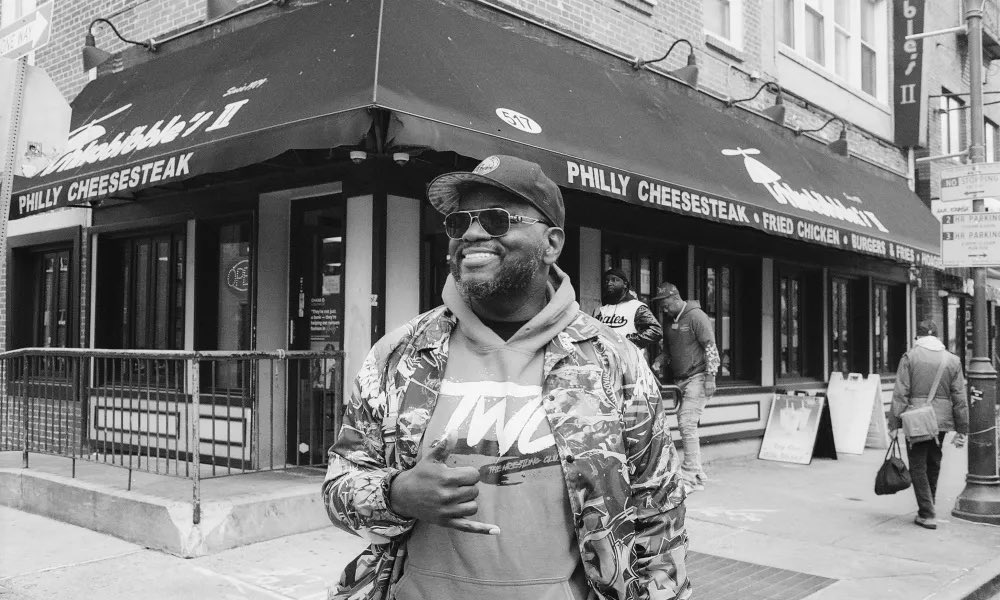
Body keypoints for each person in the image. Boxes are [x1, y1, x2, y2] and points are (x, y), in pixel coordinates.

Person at [322, 155, 690, 600]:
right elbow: (339, 487)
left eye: (498, 220)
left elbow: (660, 512)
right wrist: (396, 494)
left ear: (551, 243)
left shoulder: (616, 363)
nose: (473, 233)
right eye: (459, 223)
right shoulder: (398, 355)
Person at [888, 319, 968, 530]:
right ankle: (928, 505)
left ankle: (927, 512)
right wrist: (962, 429)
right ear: (938, 336)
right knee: (934, 461)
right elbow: (960, 397)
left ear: (919, 337)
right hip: (940, 421)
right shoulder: (952, 360)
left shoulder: (910, 357)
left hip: (916, 418)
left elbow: (900, 392)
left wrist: (893, 423)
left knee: (917, 464)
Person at [651, 282, 720, 492]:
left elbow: (710, 347)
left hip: (699, 377)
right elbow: (670, 352)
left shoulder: (696, 316)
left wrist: (711, 377)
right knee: (686, 423)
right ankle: (696, 473)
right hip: (681, 381)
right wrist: (658, 361)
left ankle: (690, 474)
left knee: (687, 422)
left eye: (664, 303)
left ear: (675, 297)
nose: (663, 308)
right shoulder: (670, 321)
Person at [594, 268, 662, 359]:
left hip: (630, 363)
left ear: (625, 284)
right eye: (607, 281)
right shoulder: (600, 309)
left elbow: (655, 330)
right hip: (605, 361)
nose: (609, 283)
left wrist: (629, 340)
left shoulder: (637, 307)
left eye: (614, 280)